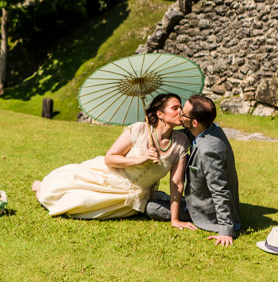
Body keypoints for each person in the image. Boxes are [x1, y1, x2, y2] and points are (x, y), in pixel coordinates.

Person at [32, 93, 191, 219]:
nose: (180, 111)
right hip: (108, 178)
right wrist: (140, 159)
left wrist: (175, 219)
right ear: (160, 113)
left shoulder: (180, 142)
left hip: (133, 197)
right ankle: (42, 187)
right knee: (74, 198)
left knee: (86, 207)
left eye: (181, 107)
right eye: (175, 108)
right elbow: (110, 158)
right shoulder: (139, 130)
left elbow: (176, 182)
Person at [145, 94, 241, 246]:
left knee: (151, 207)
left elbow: (220, 190)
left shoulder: (209, 151)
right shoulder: (210, 129)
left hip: (206, 211)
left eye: (183, 113)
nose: (179, 113)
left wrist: (226, 231)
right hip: (198, 198)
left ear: (194, 122)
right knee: (154, 196)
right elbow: (181, 135)